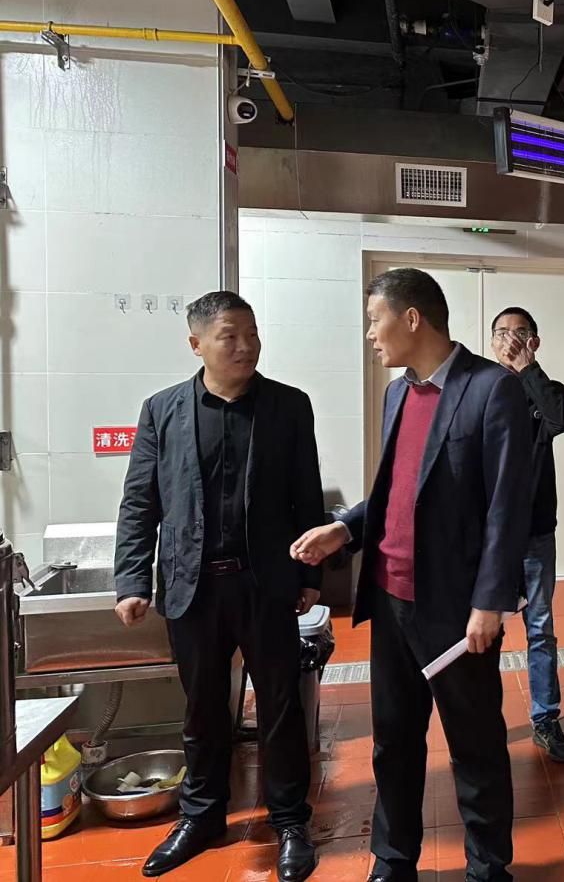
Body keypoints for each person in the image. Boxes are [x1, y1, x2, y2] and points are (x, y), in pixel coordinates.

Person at [290, 269, 532, 882]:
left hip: (455, 608)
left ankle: (488, 868)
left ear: (413, 318)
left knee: (475, 745)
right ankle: (393, 861)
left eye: (376, 320)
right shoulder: (397, 393)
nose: (371, 334)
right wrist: (345, 529)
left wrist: (490, 602)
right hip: (390, 598)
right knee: (393, 741)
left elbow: (507, 508)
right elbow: (397, 489)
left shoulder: (491, 389)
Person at [113, 291, 324, 881]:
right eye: (230, 335)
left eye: (252, 333)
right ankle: (202, 816)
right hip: (193, 588)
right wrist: (132, 579)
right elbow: (140, 502)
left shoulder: (289, 406)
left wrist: (311, 575)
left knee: (280, 708)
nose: (246, 346)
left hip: (266, 585)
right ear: (196, 343)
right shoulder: (162, 410)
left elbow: (306, 496)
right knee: (203, 709)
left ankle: (290, 821)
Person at [489, 307, 564, 763]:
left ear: (535, 342)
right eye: (502, 333)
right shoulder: (478, 389)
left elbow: (561, 419)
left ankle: (546, 720)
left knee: (540, 629)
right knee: (484, 630)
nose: (510, 340)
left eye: (521, 333)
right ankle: (483, 722)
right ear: (491, 342)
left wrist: (527, 369)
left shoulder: (548, 390)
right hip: (487, 538)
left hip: (536, 533)